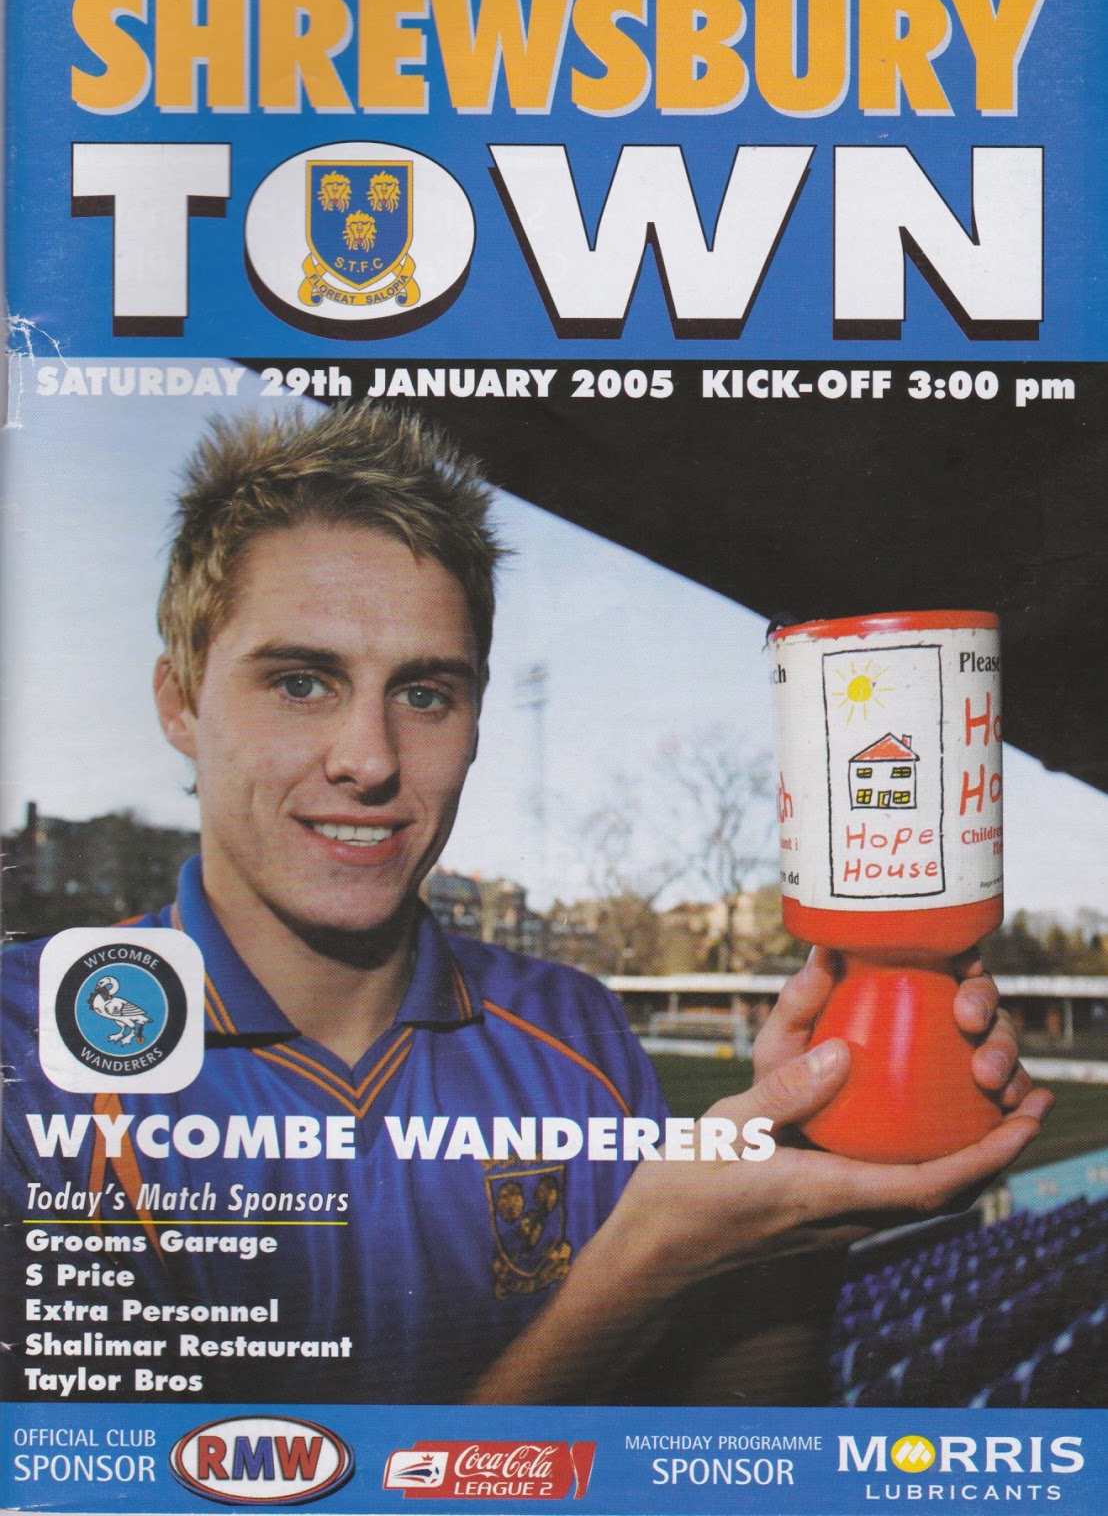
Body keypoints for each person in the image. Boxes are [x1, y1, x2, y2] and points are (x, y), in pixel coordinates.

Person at [1, 403, 1050, 1406]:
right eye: (300, 682)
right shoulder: (27, 1055)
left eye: (424, 693)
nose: (367, 760)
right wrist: (632, 1276)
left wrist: (792, 1223)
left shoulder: (576, 1033)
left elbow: (718, 1447)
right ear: (179, 700)